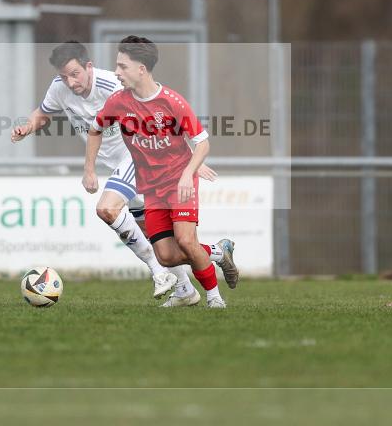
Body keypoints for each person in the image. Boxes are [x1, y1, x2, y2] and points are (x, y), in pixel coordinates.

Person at [12, 41, 220, 306]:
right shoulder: (59, 88)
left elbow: (159, 113)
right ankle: (188, 284)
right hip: (117, 166)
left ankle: (158, 273)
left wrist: (190, 158)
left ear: (88, 66)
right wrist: (27, 127)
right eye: (64, 76)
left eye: (75, 74)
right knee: (155, 238)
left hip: (135, 158)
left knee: (107, 209)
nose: (70, 82)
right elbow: (43, 114)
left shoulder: (113, 84)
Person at [87, 36, 238, 308]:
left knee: (186, 240)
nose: (117, 72)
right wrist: (89, 169)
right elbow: (95, 129)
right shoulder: (118, 102)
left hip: (180, 183)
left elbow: (202, 143)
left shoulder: (172, 102)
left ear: (141, 69)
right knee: (166, 256)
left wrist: (188, 173)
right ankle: (218, 251)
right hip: (151, 188)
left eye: (122, 66)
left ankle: (215, 298)